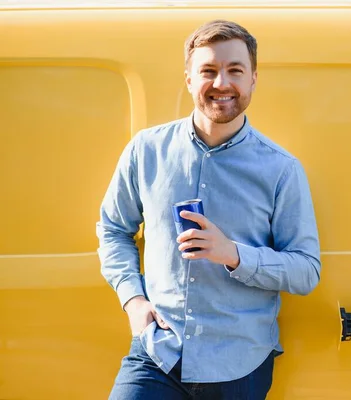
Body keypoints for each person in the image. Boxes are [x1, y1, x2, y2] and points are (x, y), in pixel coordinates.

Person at [96, 19, 321, 400]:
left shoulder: (281, 169)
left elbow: (306, 270)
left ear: (253, 80)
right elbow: (113, 229)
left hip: (238, 364)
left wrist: (233, 255)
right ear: (188, 79)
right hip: (157, 354)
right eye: (208, 71)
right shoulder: (145, 151)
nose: (221, 83)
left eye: (235, 70)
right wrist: (133, 300)